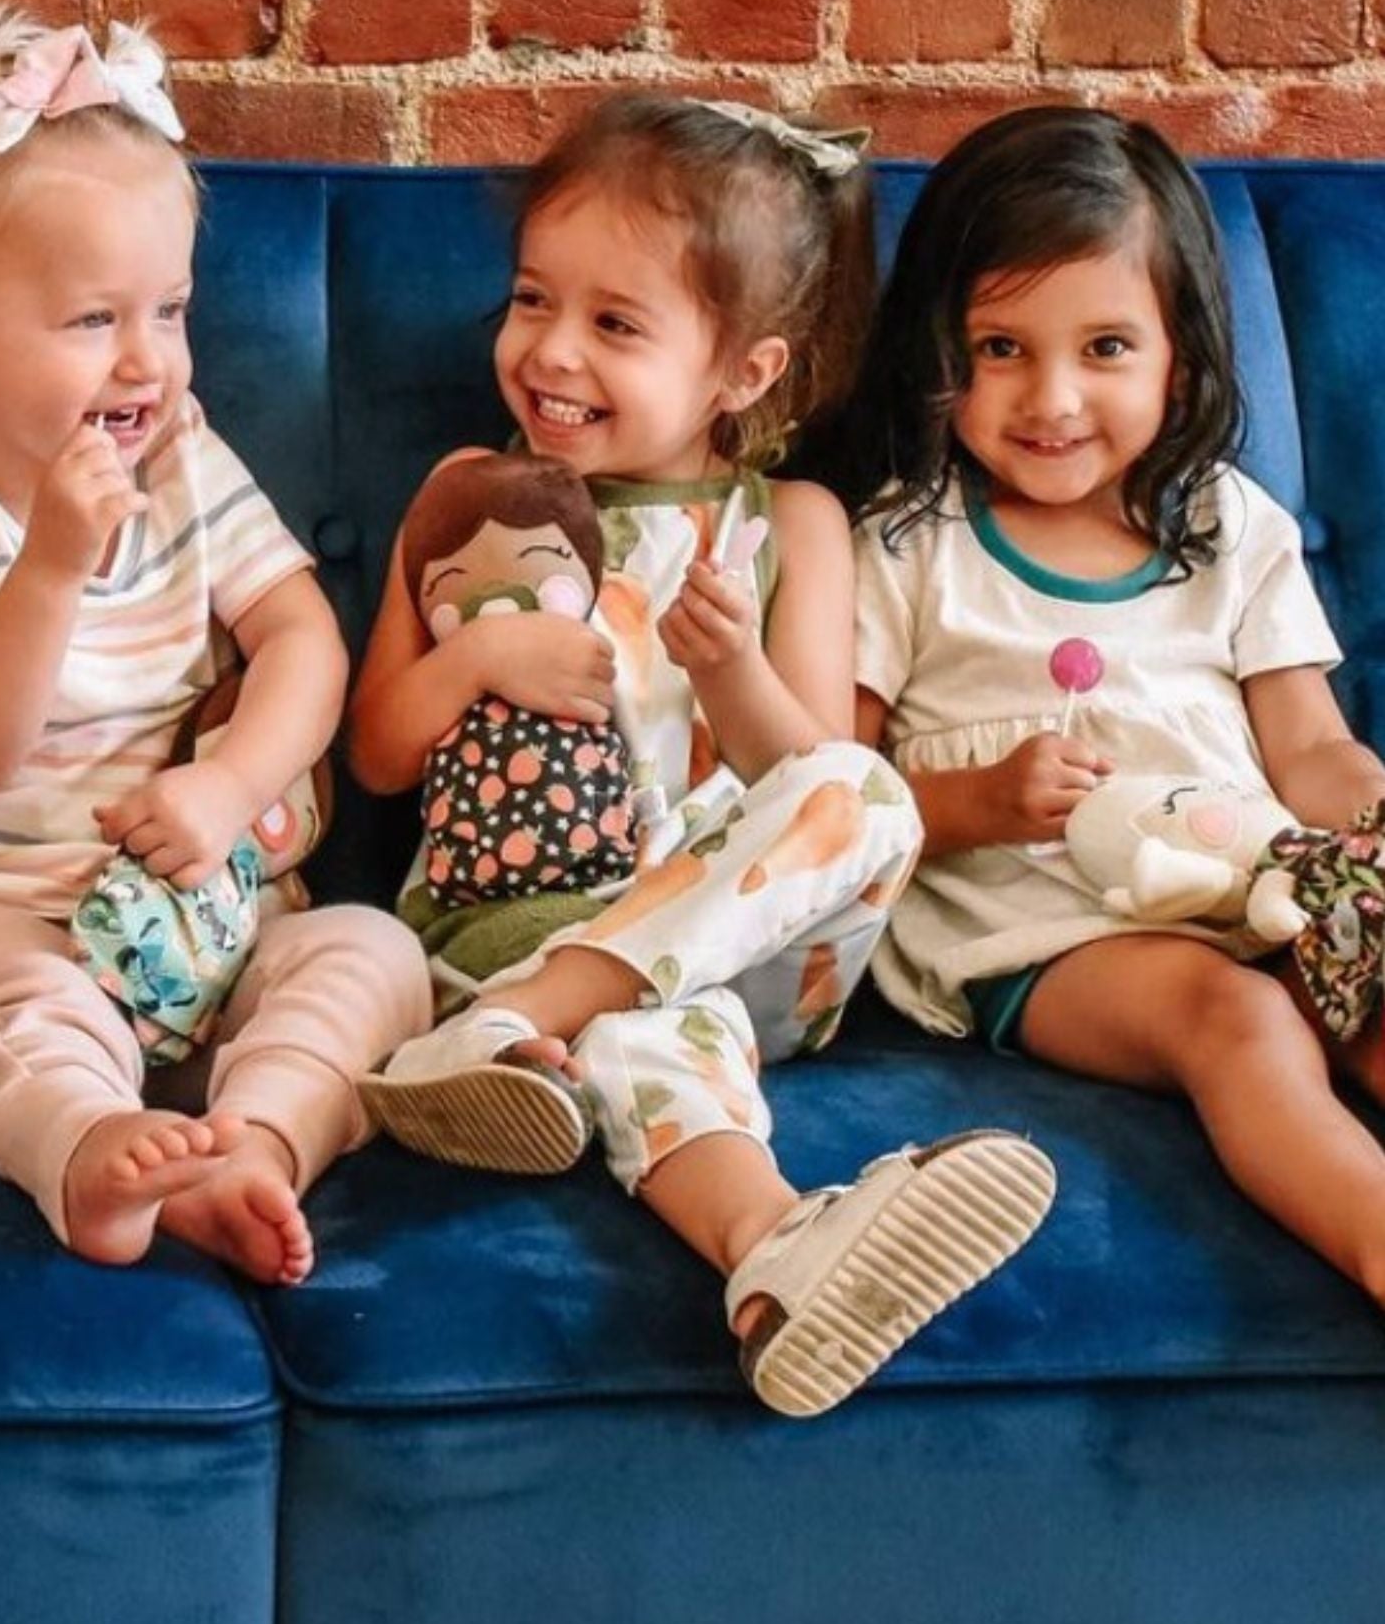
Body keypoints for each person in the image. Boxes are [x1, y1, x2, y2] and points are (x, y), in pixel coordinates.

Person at [347, 93, 1055, 1418]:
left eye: (615, 325)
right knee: (657, 1037)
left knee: (867, 792)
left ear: (745, 373)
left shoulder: (793, 524)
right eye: (531, 299)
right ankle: (778, 1255)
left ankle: (526, 1026)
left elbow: (815, 785)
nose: (550, 352)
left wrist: (728, 668)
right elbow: (379, 759)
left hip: (746, 945)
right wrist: (472, 663)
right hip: (512, 923)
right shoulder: (473, 496)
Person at [0, 5, 429, 1287]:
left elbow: (301, 641)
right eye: (94, 319)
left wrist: (231, 783)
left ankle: (250, 1144)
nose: (146, 358)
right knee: (32, 1022)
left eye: (170, 307)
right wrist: (49, 564)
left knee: (370, 955)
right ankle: (91, 1150)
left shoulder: (182, 456)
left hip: (198, 920)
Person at [845, 103, 1385, 1308]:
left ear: (1177, 358)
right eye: (999, 348)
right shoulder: (905, 544)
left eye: (1102, 347)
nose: (1050, 397)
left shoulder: (1225, 526)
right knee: (1233, 1016)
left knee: (1372, 976)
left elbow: (1309, 745)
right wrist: (975, 801)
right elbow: (828, 798)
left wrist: (1368, 826)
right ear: (937, 349)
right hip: (1041, 932)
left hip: (1256, 883)